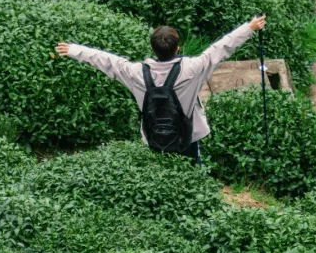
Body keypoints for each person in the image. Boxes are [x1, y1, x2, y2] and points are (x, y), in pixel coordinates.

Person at [55, 15, 266, 163]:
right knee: (192, 178)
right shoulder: (193, 68)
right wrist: (250, 28)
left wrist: (74, 50)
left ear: (153, 48)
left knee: (161, 174)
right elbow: (221, 48)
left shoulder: (134, 72)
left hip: (154, 138)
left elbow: (106, 60)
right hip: (187, 138)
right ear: (177, 48)